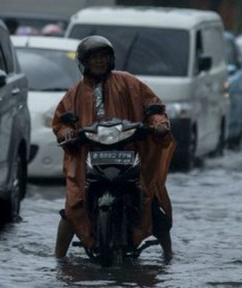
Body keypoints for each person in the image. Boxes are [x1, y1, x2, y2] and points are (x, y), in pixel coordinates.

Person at [52, 35, 176, 260]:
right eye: (94, 58)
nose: (99, 61)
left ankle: (169, 254)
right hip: (89, 156)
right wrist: (66, 132)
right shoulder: (75, 93)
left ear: (110, 59)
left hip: (130, 152)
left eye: (103, 57)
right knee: (73, 206)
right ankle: (58, 259)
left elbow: (154, 106)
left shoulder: (129, 82)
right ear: (84, 62)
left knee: (150, 199)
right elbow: (61, 121)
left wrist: (157, 124)